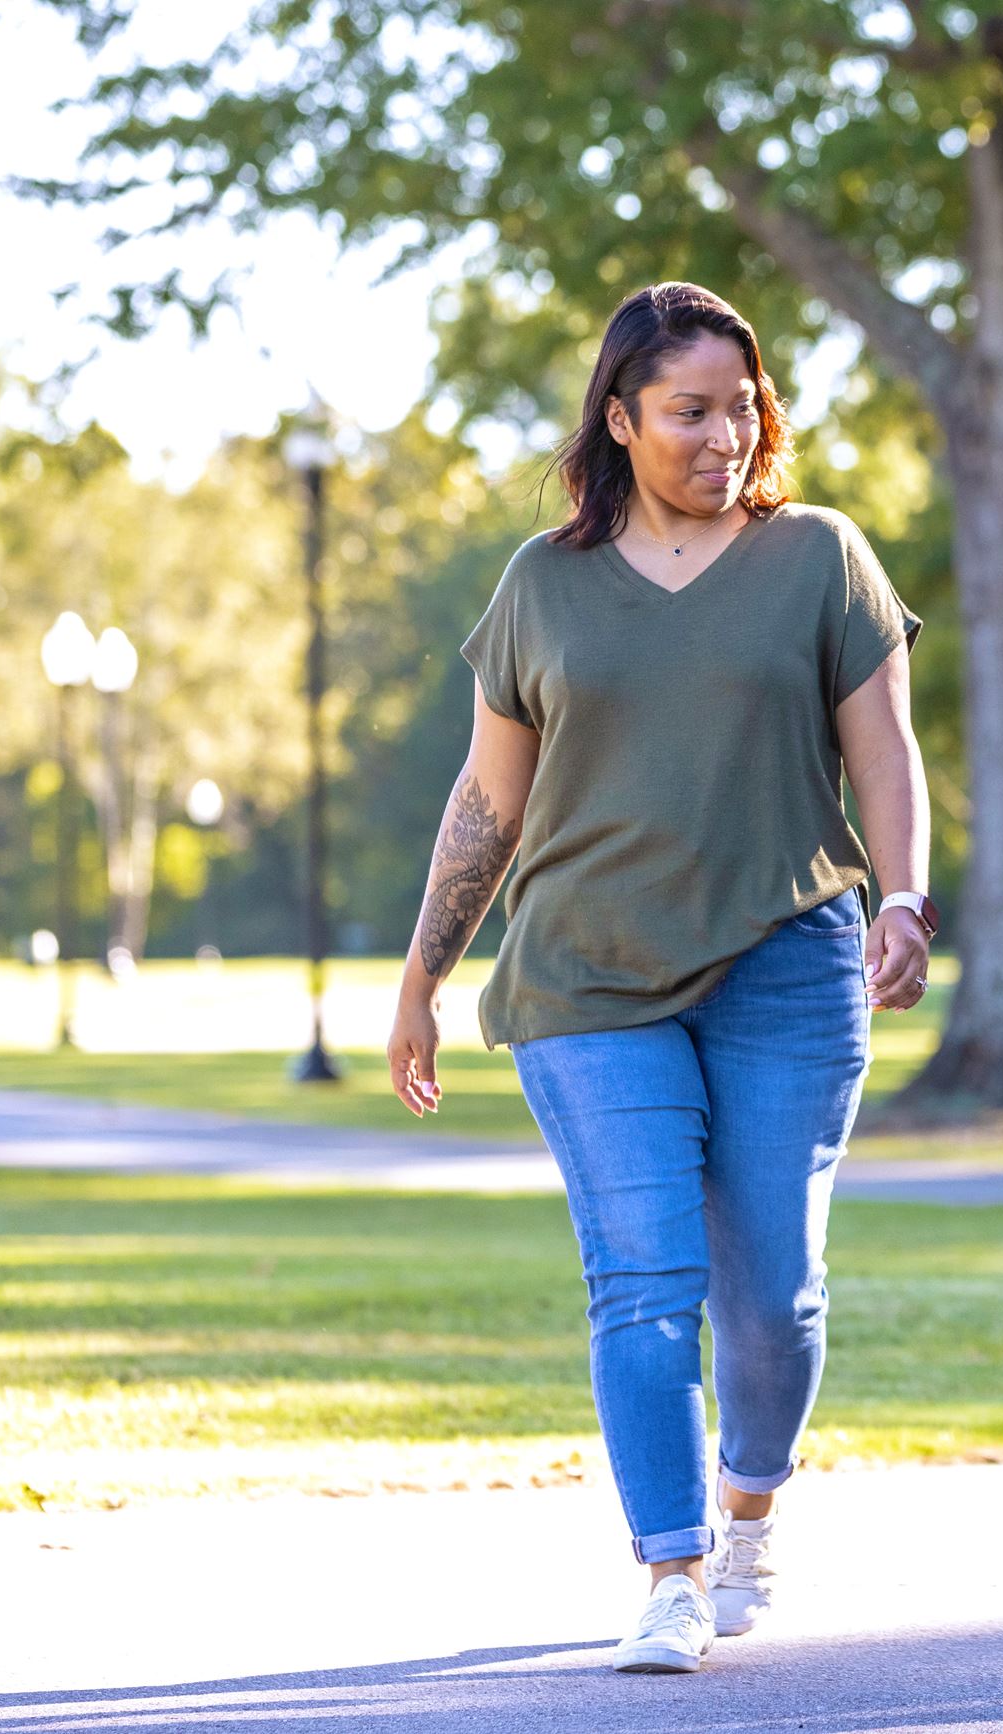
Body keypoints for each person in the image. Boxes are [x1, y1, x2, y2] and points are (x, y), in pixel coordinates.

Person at [384, 281, 935, 1675]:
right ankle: (671, 1566)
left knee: (772, 1293)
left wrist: (908, 895)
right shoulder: (542, 585)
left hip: (786, 960)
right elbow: (487, 806)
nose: (725, 435)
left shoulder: (819, 556)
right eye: (691, 411)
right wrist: (420, 975)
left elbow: (885, 752)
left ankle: (753, 1502)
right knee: (642, 1276)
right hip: (585, 976)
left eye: (744, 407)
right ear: (621, 419)